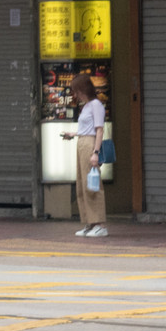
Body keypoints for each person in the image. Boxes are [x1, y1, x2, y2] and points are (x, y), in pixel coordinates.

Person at [59, 73, 106, 238]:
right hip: (82, 143)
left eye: (76, 90)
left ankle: (99, 223)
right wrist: (73, 133)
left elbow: (99, 129)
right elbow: (86, 129)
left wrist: (95, 152)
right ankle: (89, 222)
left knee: (92, 185)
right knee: (82, 185)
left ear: (83, 89)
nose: (75, 94)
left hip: (90, 145)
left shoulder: (96, 105)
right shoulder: (86, 106)